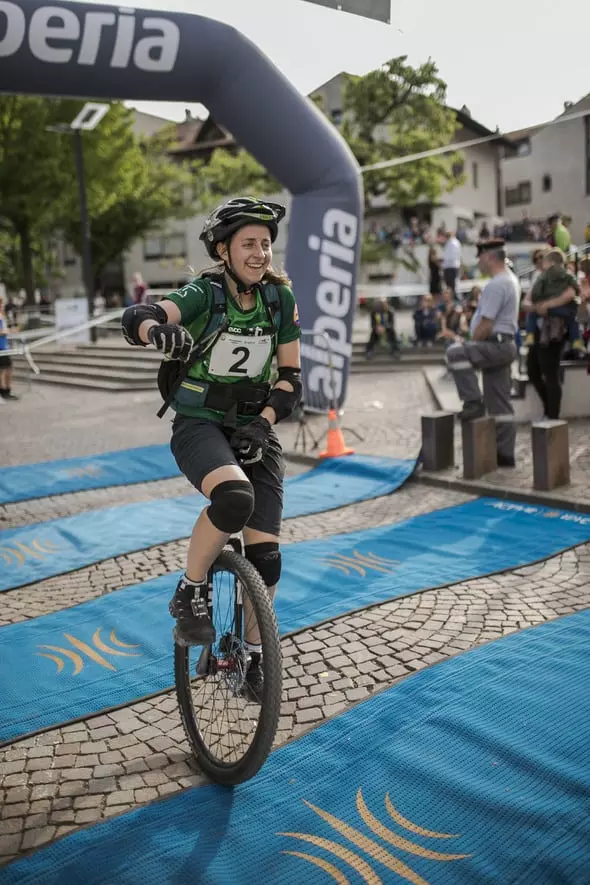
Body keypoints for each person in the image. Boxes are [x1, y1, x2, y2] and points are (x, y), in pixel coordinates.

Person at [121, 197, 302, 698]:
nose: (260, 253)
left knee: (266, 560)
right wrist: (159, 330)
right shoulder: (205, 294)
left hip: (253, 430)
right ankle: (190, 588)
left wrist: (264, 423)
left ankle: (253, 658)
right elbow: (137, 314)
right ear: (224, 250)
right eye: (249, 243)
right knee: (233, 498)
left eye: (266, 244)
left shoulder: (279, 301)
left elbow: (290, 381)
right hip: (199, 424)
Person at [446, 239, 519, 467]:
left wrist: (470, 345)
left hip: (494, 344)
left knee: (456, 353)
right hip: (503, 345)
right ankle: (504, 455)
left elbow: (486, 323)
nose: (478, 262)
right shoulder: (510, 279)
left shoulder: (497, 283)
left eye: (480, 257)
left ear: (488, 256)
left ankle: (472, 402)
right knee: (500, 406)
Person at [524, 248, 583, 354]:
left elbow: (536, 292)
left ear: (550, 262)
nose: (541, 263)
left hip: (551, 311)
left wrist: (540, 303)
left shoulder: (543, 276)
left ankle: (529, 335)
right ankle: (576, 341)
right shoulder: (567, 274)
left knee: (532, 315)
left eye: (543, 260)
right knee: (573, 320)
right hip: (566, 309)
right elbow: (576, 287)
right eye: (537, 259)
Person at [0, 293, 18, 401]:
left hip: (4, 346)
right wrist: (8, 331)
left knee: (8, 368)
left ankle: (7, 390)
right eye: (0, 304)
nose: (2, 306)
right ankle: (3, 392)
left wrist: (10, 331)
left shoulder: (2, 317)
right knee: (2, 370)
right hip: (1, 347)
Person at [442, 230, 462, 295]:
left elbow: (452, 256)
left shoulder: (453, 243)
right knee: (449, 286)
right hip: (450, 266)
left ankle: (453, 299)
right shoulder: (450, 242)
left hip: (451, 266)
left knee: (452, 286)